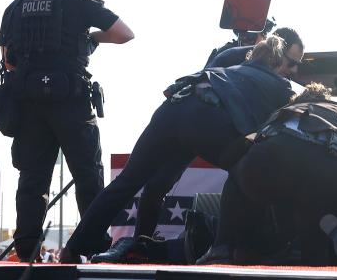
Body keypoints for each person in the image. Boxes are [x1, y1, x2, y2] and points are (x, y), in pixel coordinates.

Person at [61, 35, 301, 263]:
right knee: (243, 172)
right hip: (206, 121)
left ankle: (78, 246)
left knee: (130, 181)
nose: (294, 71)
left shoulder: (230, 65)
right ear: (276, 62)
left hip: (174, 107)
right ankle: (221, 247)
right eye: (291, 64)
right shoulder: (282, 86)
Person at [0, 0, 134, 261]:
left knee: (32, 178)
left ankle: (27, 248)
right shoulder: (77, 2)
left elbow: (8, 60)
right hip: (71, 100)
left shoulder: (17, 6)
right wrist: (90, 38)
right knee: (87, 175)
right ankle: (93, 245)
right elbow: (124, 33)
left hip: (28, 102)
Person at [198, 83, 337, 266]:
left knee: (239, 178)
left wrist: (235, 166)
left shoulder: (284, 111)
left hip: (274, 157)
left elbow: (239, 148)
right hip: (327, 169)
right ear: (326, 99)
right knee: (314, 223)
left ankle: (228, 248)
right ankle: (324, 238)